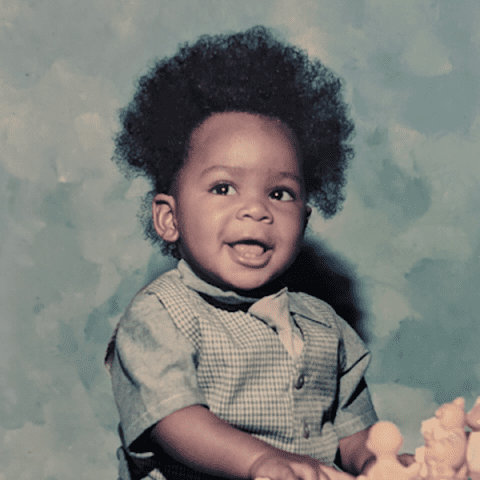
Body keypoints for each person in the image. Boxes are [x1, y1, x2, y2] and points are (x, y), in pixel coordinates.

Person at [106, 26, 385, 480]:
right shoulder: (160, 316)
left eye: (279, 193)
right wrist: (258, 461)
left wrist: (377, 462)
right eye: (223, 187)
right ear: (169, 218)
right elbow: (173, 419)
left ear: (303, 222)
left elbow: (353, 428)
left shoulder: (324, 325)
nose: (256, 209)